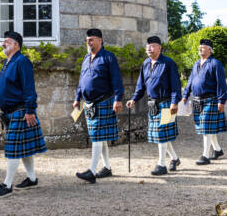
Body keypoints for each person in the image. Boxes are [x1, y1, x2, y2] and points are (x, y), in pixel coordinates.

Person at [0, 31, 47, 199]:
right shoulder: (9, 62)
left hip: (21, 111)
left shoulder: (22, 61)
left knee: (13, 149)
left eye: (6, 41)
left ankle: (7, 185)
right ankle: (32, 178)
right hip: (12, 112)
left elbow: (29, 87)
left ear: (16, 44)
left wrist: (30, 110)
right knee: (24, 148)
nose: (3, 44)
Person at [73, 28, 124, 183]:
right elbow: (82, 80)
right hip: (89, 104)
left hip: (103, 101)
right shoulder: (86, 58)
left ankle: (91, 171)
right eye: (87, 39)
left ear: (100, 40)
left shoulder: (108, 57)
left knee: (96, 136)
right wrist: (77, 98)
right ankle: (107, 167)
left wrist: (118, 99)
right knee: (99, 137)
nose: (88, 42)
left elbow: (116, 79)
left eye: (91, 39)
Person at [126, 36, 182, 176]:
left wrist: (175, 102)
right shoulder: (145, 64)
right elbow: (141, 85)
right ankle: (174, 159)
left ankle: (161, 164)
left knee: (161, 133)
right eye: (148, 47)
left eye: (152, 46)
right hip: (152, 104)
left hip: (166, 103)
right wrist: (134, 99)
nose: (149, 49)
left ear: (159, 48)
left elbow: (176, 85)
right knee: (161, 134)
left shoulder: (168, 63)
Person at [182, 39, 227, 165]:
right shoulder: (196, 63)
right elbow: (190, 81)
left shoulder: (215, 63)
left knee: (206, 128)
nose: (200, 49)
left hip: (211, 100)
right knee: (206, 127)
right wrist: (185, 95)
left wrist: (221, 100)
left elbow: (221, 83)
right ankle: (218, 150)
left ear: (210, 50)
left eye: (203, 47)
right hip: (197, 100)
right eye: (199, 47)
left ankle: (205, 156)